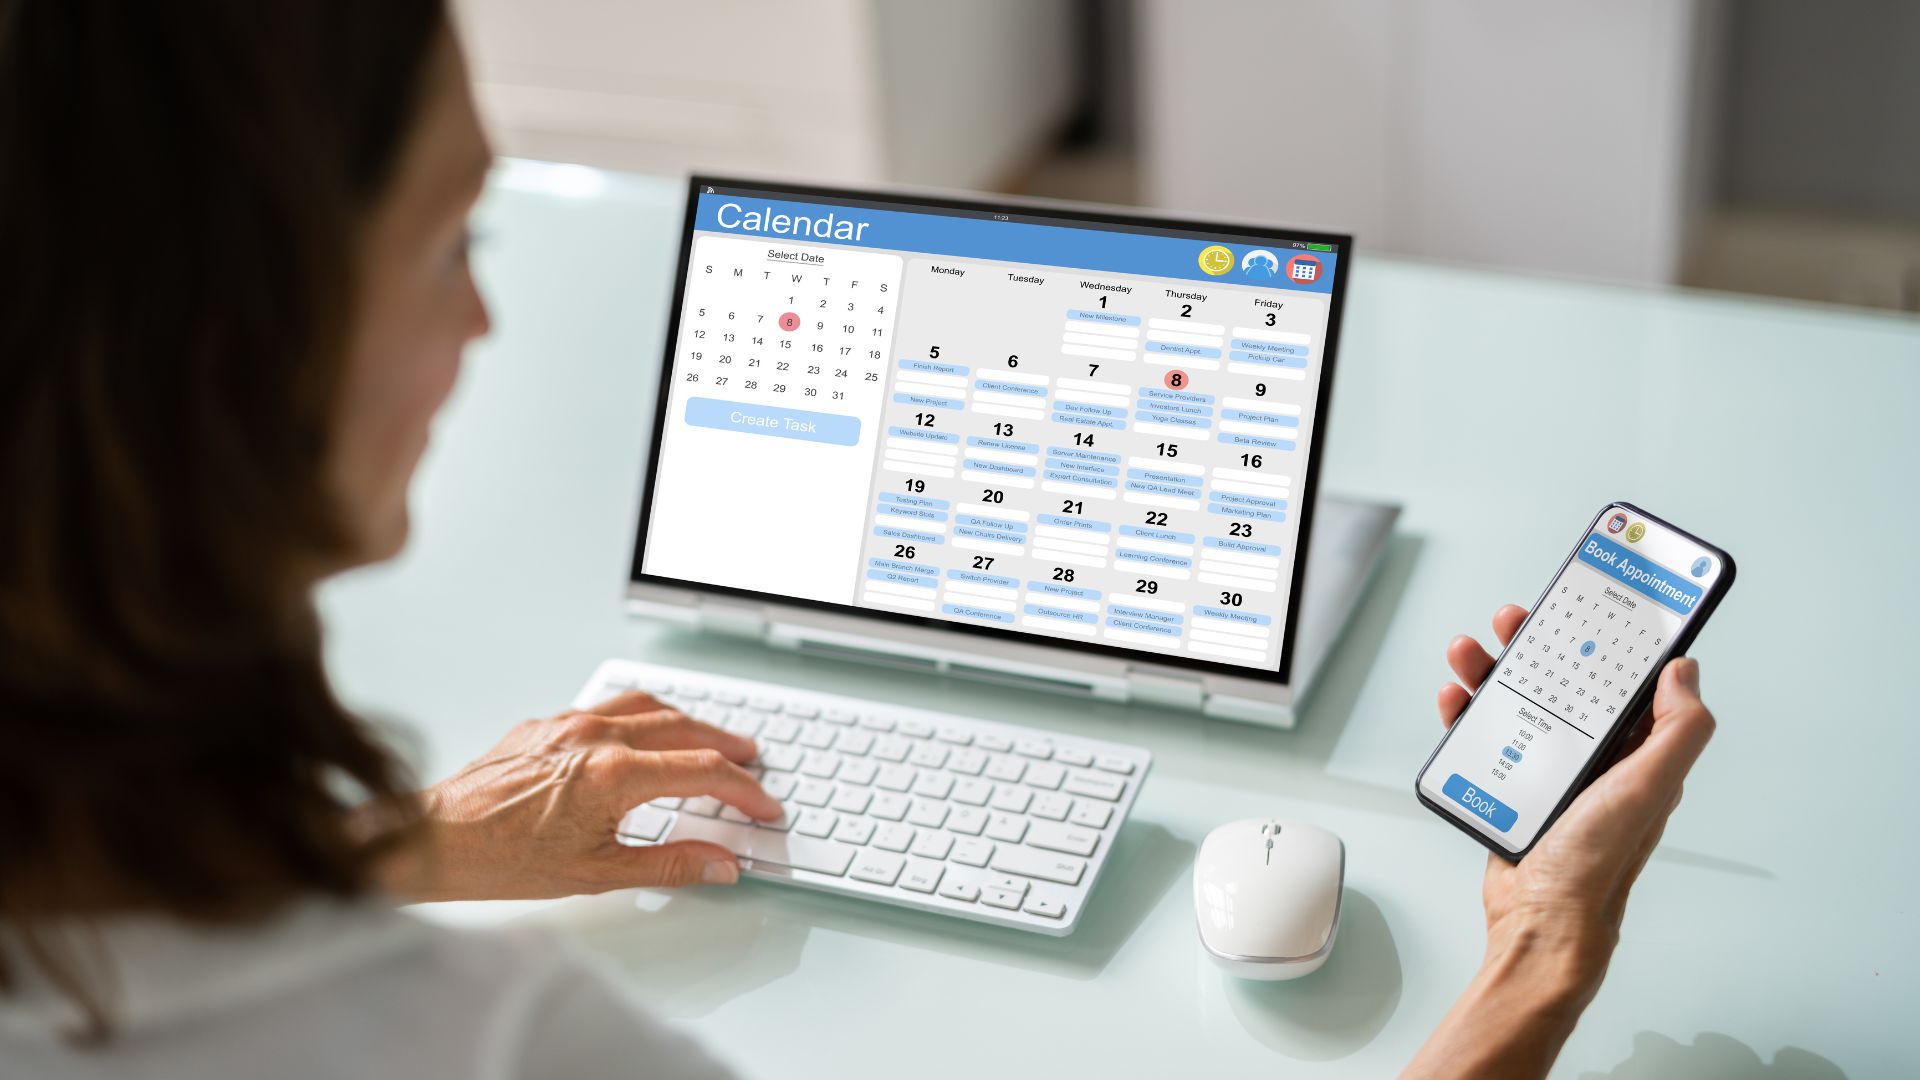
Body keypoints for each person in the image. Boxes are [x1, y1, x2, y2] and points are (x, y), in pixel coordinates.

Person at [0, 3, 1714, 1077]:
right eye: (455, 237)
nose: (484, 331)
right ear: (234, 343)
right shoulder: (500, 1050)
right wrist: (1542, 956)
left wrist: (405, 845)